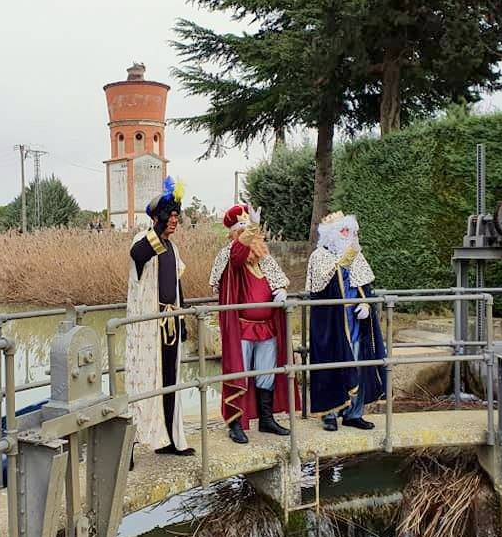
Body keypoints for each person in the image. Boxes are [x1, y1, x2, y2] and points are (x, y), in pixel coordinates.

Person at [210, 204, 298, 444]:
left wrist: (279, 290)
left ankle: (267, 419)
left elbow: (277, 277)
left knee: (266, 374)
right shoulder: (230, 254)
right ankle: (235, 423)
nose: (250, 234)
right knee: (239, 373)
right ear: (234, 232)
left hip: (267, 327)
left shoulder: (263, 257)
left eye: (250, 229)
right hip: (241, 327)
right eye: (244, 228)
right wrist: (253, 228)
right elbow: (238, 257)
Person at [125, 176, 195, 465]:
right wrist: (157, 224)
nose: (175, 221)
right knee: (142, 384)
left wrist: (182, 320)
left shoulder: (174, 249)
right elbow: (138, 254)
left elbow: (177, 286)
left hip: (170, 324)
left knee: (169, 383)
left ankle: (169, 440)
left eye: (178, 216)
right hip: (148, 329)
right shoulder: (142, 242)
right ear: (156, 218)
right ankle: (127, 449)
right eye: (170, 216)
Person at [306, 211, 386, 431]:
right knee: (332, 366)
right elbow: (323, 287)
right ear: (331, 234)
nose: (348, 235)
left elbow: (365, 288)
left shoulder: (356, 256)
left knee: (359, 365)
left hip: (355, 323)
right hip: (331, 323)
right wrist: (348, 257)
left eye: (350, 231)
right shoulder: (319, 256)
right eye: (343, 231)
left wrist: (366, 304)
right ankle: (329, 414)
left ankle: (354, 413)